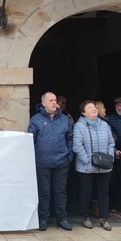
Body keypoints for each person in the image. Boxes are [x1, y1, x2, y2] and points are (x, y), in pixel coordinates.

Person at [28, 92, 73, 231]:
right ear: (44, 103)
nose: (55, 103)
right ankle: (43, 219)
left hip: (61, 162)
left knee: (60, 191)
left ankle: (62, 218)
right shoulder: (36, 120)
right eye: (51, 100)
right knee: (44, 192)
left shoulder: (65, 119)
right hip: (42, 163)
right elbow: (30, 140)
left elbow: (70, 138)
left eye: (55, 100)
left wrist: (69, 155)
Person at [73, 100, 116, 231]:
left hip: (104, 165)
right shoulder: (79, 126)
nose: (93, 109)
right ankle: (85, 217)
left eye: (94, 107)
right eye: (89, 107)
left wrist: (110, 157)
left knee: (103, 193)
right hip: (86, 167)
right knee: (86, 192)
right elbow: (77, 145)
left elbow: (111, 142)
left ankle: (104, 218)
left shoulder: (104, 124)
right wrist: (87, 161)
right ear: (83, 112)